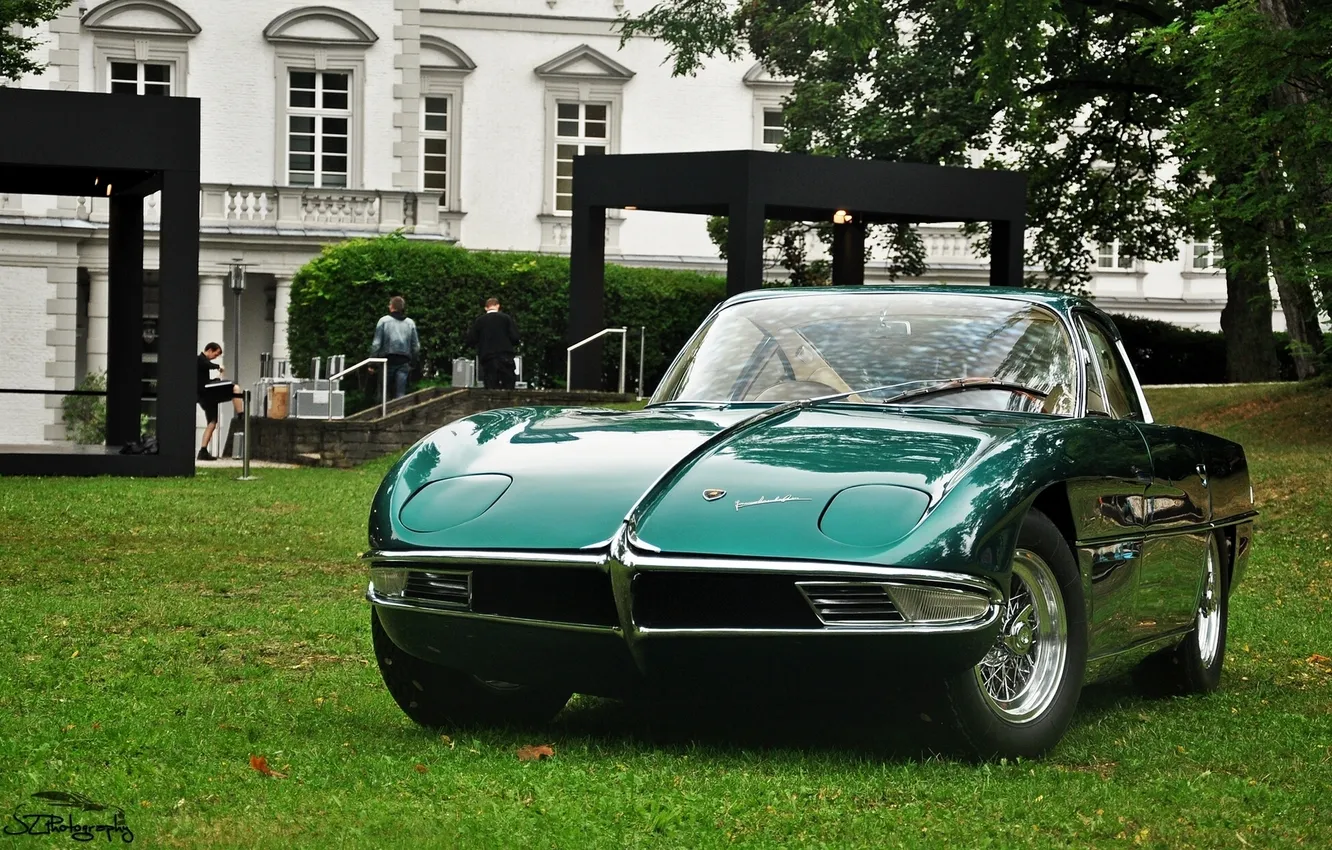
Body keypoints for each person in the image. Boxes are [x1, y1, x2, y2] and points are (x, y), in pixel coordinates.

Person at [196, 342, 243, 461]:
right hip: (206, 393)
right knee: (235, 388)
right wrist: (218, 367)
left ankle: (203, 450)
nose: (215, 357)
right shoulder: (200, 359)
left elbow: (204, 377)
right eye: (215, 354)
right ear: (210, 350)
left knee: (212, 422)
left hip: (206, 393)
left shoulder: (202, 362)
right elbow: (206, 364)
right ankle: (241, 415)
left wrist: (217, 379)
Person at [369, 295, 421, 400]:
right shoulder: (410, 323)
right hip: (404, 361)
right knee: (400, 394)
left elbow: (376, 344)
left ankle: (382, 413)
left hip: (387, 361)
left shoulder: (383, 321)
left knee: (383, 393)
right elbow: (416, 346)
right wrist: (413, 362)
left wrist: (372, 363)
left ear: (392, 307)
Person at [465, 297, 520, 389]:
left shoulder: (480, 321)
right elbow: (515, 337)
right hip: (505, 355)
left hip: (488, 357)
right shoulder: (506, 318)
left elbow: (471, 339)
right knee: (508, 383)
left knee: (490, 384)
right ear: (498, 306)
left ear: (486, 308)